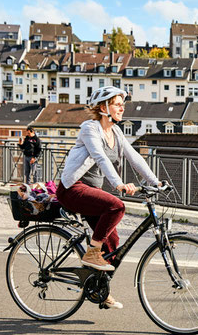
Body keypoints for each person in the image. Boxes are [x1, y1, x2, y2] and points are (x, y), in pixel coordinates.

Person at [56, 86, 162, 310]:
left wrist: (156, 182)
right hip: (72, 189)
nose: (122, 107)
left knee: (112, 243)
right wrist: (118, 184)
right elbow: (100, 157)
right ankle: (92, 253)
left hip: (91, 193)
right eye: (117, 103)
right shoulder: (90, 128)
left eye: (122, 103)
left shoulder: (117, 132)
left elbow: (135, 159)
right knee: (116, 206)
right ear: (103, 107)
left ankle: (98, 290)